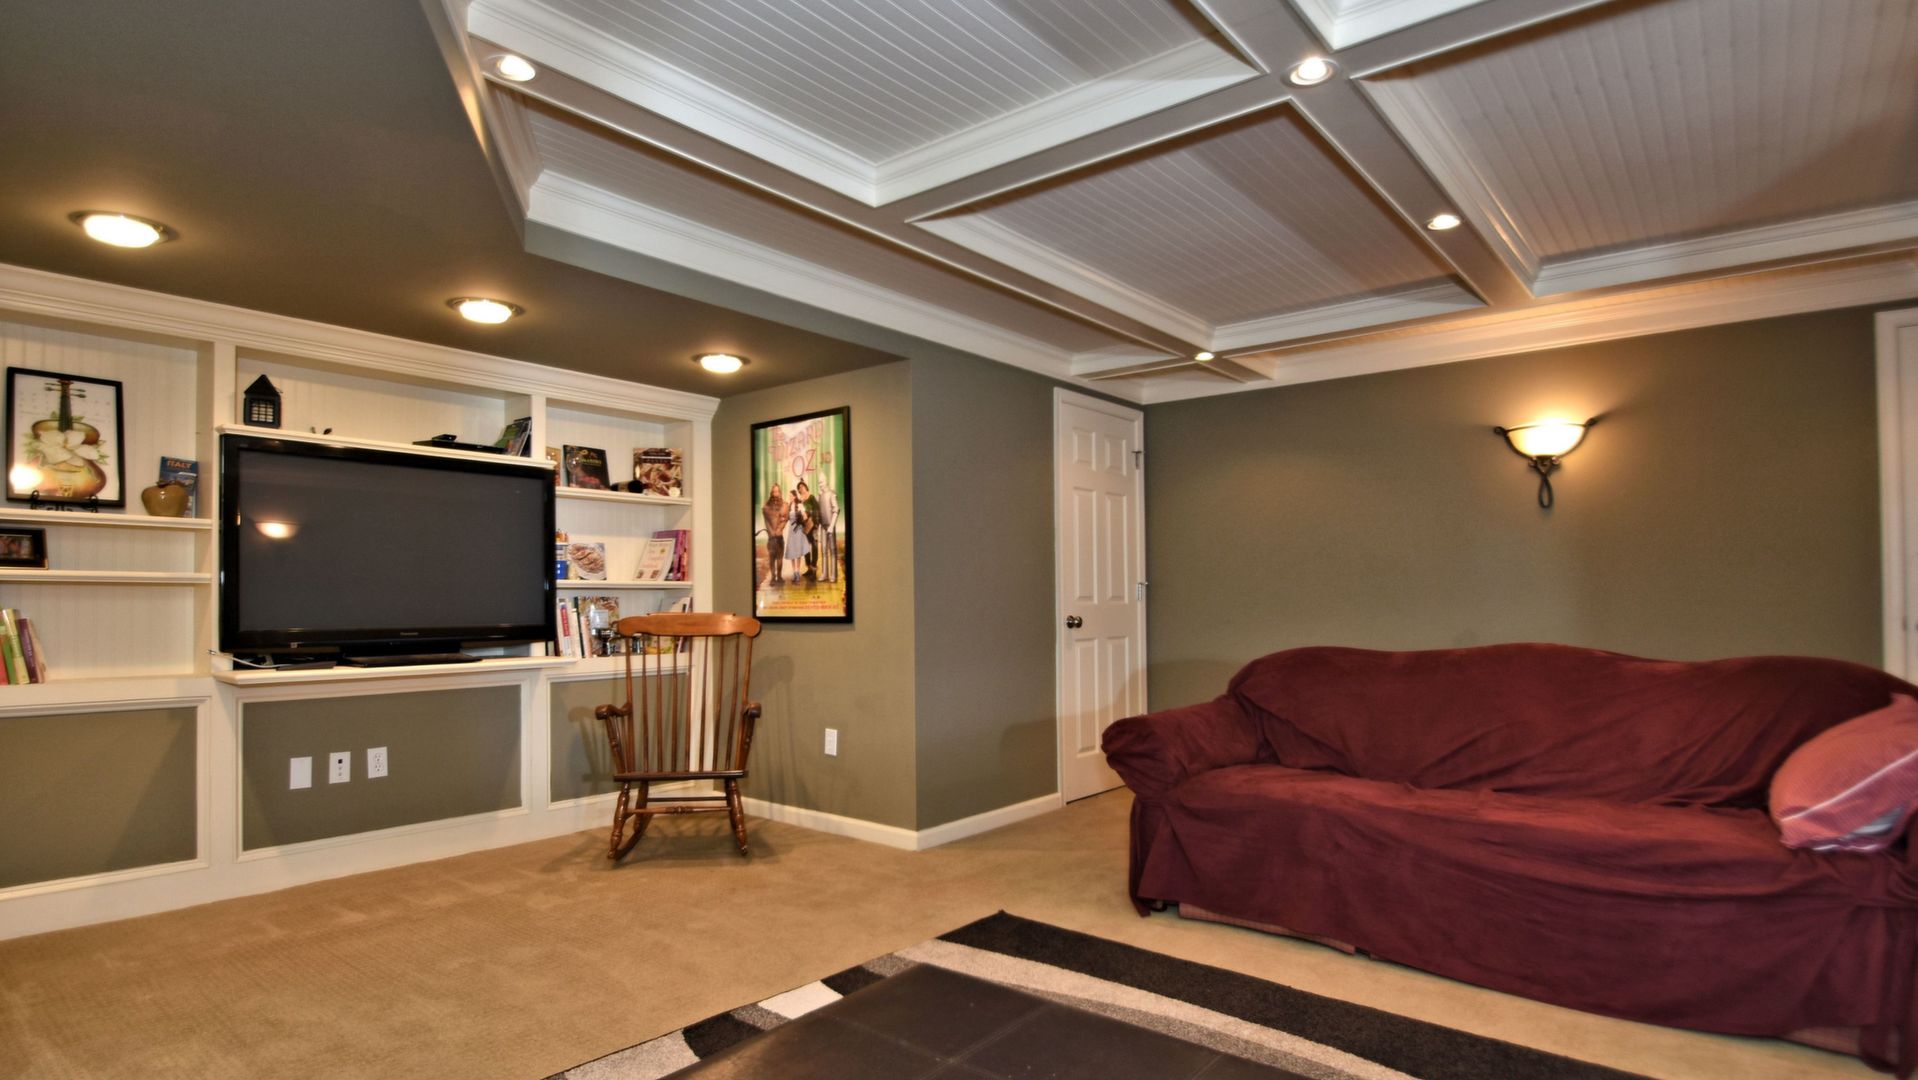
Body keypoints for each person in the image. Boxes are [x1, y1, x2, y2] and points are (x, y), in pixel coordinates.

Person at [813, 476, 839, 583]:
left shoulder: (832, 494)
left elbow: (836, 510)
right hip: (823, 526)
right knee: (823, 550)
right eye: (819, 483)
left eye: (822, 482)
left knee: (832, 550)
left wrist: (832, 526)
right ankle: (825, 574)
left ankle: (833, 575)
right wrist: (819, 528)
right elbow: (819, 512)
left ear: (826, 481)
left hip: (830, 526)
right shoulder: (820, 496)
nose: (820, 484)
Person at [784, 487, 811, 581]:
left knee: (798, 551)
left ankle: (798, 572)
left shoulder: (799, 505)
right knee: (792, 551)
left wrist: (802, 518)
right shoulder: (789, 506)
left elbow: (805, 516)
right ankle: (794, 572)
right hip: (791, 531)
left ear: (795, 496)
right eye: (789, 496)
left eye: (791, 496)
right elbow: (786, 518)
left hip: (798, 530)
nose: (790, 497)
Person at [795, 479, 821, 578]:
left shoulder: (811, 497)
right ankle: (809, 568)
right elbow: (798, 515)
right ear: (799, 490)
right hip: (804, 527)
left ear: (806, 487)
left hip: (812, 525)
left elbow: (817, 510)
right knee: (806, 547)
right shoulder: (800, 501)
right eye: (799, 488)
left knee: (814, 545)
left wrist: (810, 514)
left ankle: (814, 568)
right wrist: (799, 515)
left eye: (802, 486)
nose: (801, 488)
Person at [761, 486, 786, 584]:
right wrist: (771, 531)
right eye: (774, 491)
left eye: (777, 491)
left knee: (779, 558)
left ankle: (779, 576)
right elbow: (766, 521)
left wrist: (779, 529)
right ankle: (773, 577)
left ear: (780, 492)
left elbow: (785, 519)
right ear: (772, 493)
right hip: (771, 537)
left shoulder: (784, 505)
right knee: (772, 558)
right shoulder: (767, 506)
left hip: (779, 536)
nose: (776, 493)